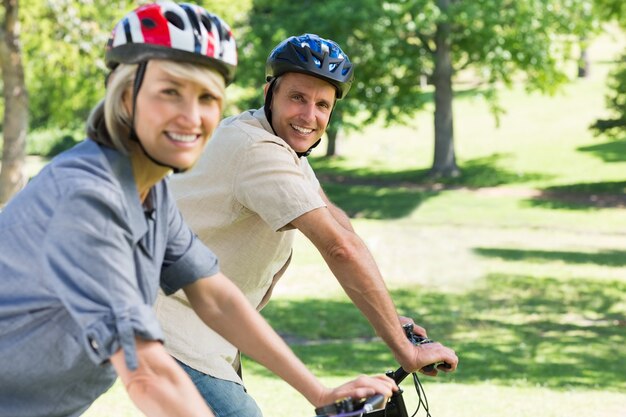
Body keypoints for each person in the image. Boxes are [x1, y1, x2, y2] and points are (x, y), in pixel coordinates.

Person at [0, 7, 396, 417]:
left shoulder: (149, 197)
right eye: (169, 92)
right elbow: (147, 374)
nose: (192, 117)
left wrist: (317, 391)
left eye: (207, 97)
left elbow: (216, 298)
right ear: (123, 96)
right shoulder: (87, 198)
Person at [156, 33, 459, 416]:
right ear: (270, 92)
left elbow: (338, 224)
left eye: (322, 105)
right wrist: (407, 351)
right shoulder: (257, 152)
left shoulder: (282, 148)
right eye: (297, 98)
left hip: (202, 331)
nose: (309, 116)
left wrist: (390, 318)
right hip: (173, 329)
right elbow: (338, 248)